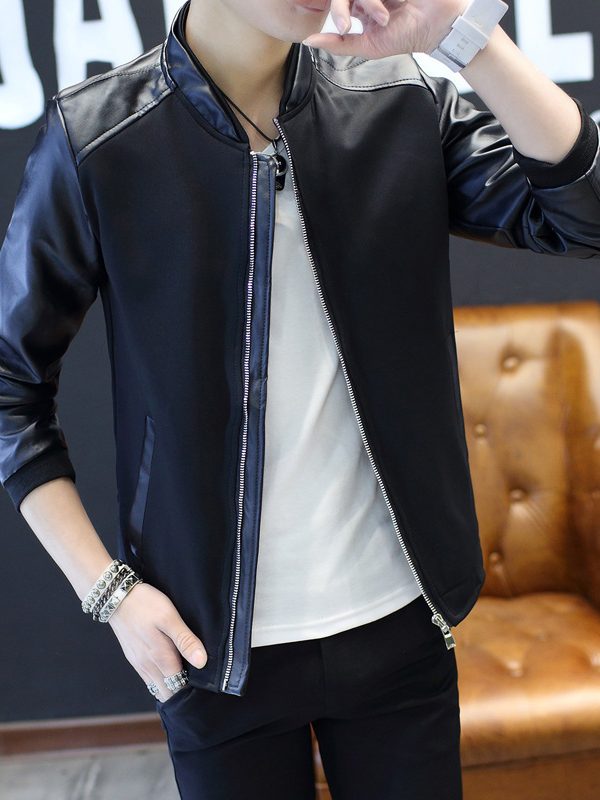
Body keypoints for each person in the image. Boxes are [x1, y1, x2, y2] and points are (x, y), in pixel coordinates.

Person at [1, 0, 599, 797]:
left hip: (400, 625)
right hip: (213, 652)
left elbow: (581, 216)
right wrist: (109, 594)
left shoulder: (394, 95)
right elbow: (10, 386)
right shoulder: (101, 136)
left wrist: (470, 38)